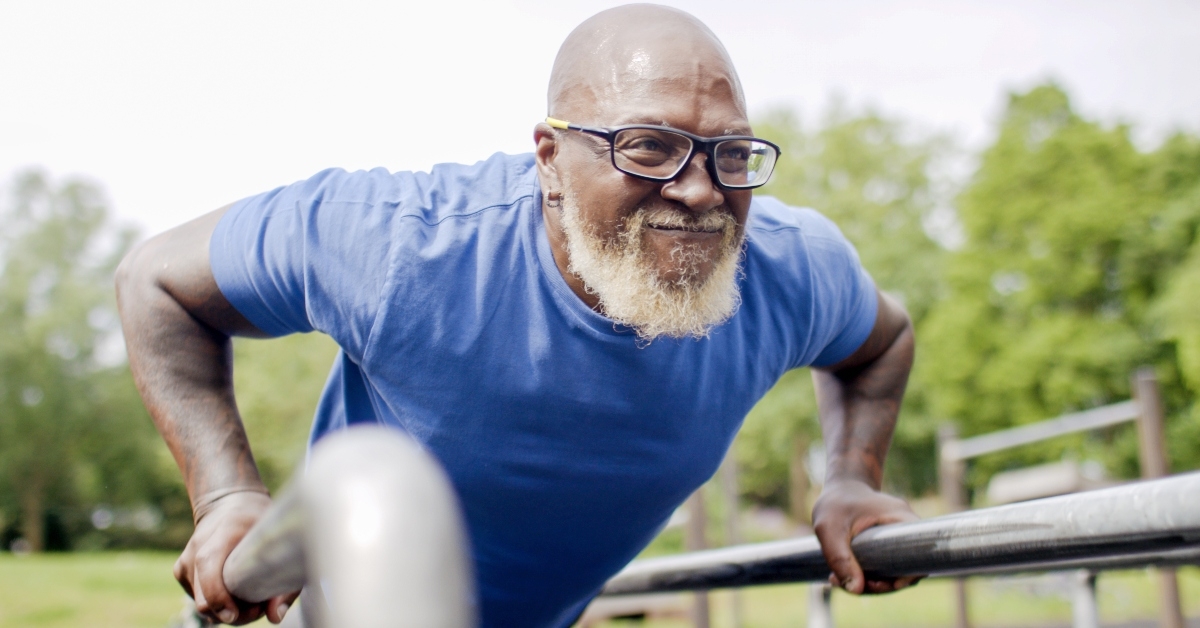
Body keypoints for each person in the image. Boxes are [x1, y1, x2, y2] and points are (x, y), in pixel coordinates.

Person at [116, 4, 919, 626]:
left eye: (732, 153)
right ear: (550, 160)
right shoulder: (400, 246)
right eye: (647, 146)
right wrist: (225, 495)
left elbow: (882, 343)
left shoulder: (788, 270)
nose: (702, 188)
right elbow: (157, 280)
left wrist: (852, 478)